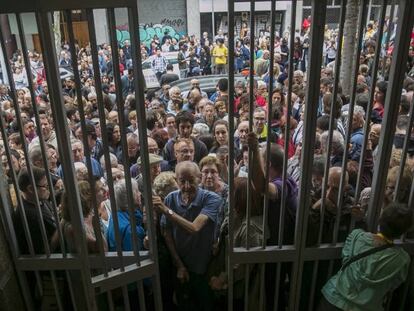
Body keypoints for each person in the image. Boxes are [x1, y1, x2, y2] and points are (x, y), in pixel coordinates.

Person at [152, 161, 221, 311]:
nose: (187, 186)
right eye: (182, 181)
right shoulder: (171, 198)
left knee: (206, 304)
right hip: (181, 265)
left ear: (199, 178)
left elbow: (195, 228)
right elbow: (167, 232)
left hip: (204, 267)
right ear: (176, 181)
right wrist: (179, 264)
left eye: (191, 180)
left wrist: (167, 211)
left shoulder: (212, 198)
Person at [319, 202, 413, 311]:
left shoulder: (357, 236)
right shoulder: (402, 259)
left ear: (380, 219)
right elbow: (393, 284)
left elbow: (345, 259)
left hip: (334, 298)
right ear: (403, 232)